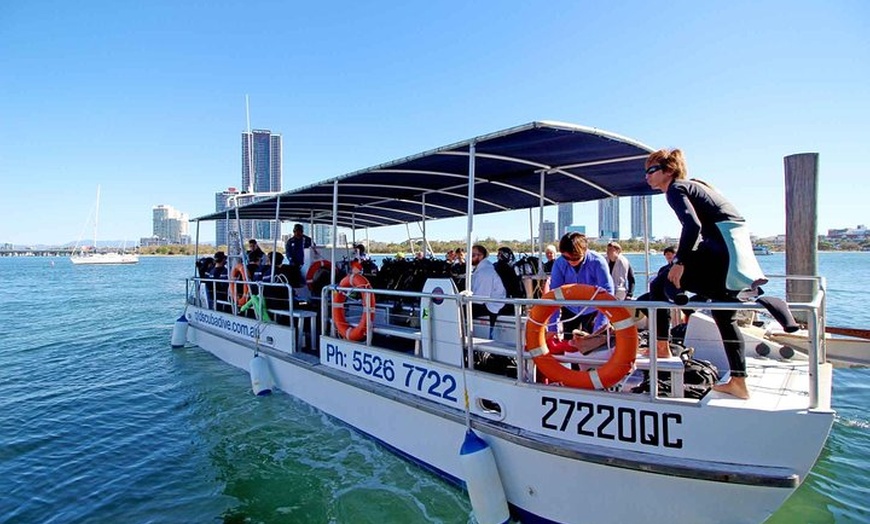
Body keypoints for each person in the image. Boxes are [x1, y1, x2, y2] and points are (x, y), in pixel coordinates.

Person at [645, 149, 756, 398]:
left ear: (668, 171)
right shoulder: (695, 187)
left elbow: (692, 225)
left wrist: (681, 261)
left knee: (660, 281)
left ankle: (662, 346)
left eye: (652, 170)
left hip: (720, 254)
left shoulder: (676, 188)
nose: (647, 177)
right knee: (725, 316)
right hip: (733, 256)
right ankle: (739, 382)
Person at [548, 232, 614, 336]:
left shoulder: (598, 262)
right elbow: (554, 294)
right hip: (570, 308)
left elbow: (608, 293)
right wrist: (552, 328)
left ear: (584, 251)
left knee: (592, 348)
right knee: (568, 344)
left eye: (575, 258)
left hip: (593, 309)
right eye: (566, 258)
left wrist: (600, 327)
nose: (570, 261)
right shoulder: (559, 263)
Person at [469, 244, 507, 319]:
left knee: (459, 310)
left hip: (492, 306)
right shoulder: (481, 269)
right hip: (487, 303)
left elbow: (480, 298)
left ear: (481, 256)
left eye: (473, 255)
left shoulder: (485, 271)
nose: (470, 258)